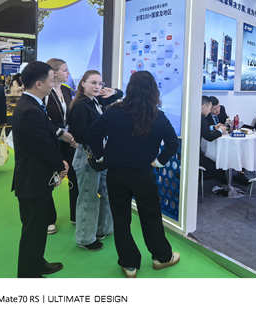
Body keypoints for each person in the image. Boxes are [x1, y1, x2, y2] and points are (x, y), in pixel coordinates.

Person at [88, 71, 179, 278]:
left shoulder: (114, 111)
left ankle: (129, 264)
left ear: (130, 88)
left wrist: (101, 156)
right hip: (143, 175)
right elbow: (172, 143)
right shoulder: (158, 116)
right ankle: (162, 257)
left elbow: (93, 133)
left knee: (121, 220)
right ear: (153, 91)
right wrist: (159, 161)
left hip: (116, 174)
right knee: (151, 217)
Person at [11, 61, 68, 278]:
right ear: (38, 83)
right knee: (33, 230)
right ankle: (28, 274)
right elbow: (41, 146)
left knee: (38, 226)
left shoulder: (32, 105)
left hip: (35, 178)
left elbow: (45, 133)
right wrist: (60, 164)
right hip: (32, 180)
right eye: (51, 80)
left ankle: (37, 263)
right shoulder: (30, 110)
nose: (53, 84)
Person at [67, 70, 122, 251]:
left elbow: (119, 95)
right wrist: (103, 133)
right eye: (93, 83)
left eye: (100, 83)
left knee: (105, 192)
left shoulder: (95, 101)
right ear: (83, 83)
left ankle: (102, 229)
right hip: (88, 155)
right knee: (88, 197)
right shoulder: (81, 106)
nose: (97, 86)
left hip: (100, 155)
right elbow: (81, 135)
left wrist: (111, 91)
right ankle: (85, 238)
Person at [44, 58, 78, 233]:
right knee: (49, 179)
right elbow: (43, 120)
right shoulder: (45, 92)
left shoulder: (66, 90)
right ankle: (49, 219)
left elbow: (71, 116)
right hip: (51, 141)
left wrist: (73, 136)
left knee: (74, 177)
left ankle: (76, 215)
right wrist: (59, 133)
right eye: (65, 70)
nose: (68, 73)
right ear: (54, 72)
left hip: (69, 141)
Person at [200, 96, 226, 175]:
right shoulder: (202, 118)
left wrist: (214, 127)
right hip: (195, 154)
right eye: (210, 108)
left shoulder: (197, 116)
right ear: (204, 106)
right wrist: (220, 131)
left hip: (194, 151)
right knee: (218, 169)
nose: (209, 111)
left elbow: (204, 129)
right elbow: (208, 136)